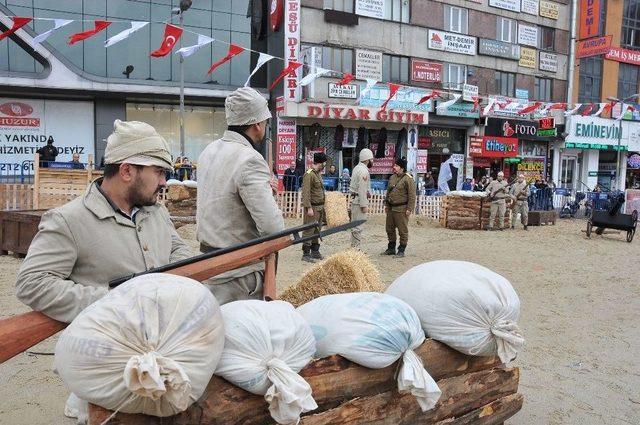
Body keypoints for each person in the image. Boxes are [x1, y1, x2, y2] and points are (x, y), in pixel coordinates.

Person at [16, 119, 192, 322]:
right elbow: (32, 283)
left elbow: (178, 249)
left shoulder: (156, 211)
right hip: (108, 348)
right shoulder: (68, 220)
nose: (163, 182)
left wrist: (168, 285)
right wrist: (116, 302)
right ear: (126, 171)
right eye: (159, 172)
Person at [197, 87, 284, 304]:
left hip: (208, 265)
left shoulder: (208, 151)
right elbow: (273, 228)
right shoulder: (250, 159)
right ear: (257, 123)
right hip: (239, 275)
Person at [382, 157, 416, 258]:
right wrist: (386, 205)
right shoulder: (392, 178)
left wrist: (409, 208)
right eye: (395, 165)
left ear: (402, 168)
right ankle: (391, 248)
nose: (394, 167)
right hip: (391, 208)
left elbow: (412, 195)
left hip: (402, 209)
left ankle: (401, 250)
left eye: (396, 166)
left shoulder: (408, 179)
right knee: (389, 229)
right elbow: (388, 192)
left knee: (402, 230)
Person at [301, 152, 327, 262]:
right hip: (313, 208)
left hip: (320, 207)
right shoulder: (309, 174)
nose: (324, 165)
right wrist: (308, 208)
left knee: (317, 230)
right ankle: (306, 253)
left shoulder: (317, 174)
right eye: (324, 163)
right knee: (309, 229)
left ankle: (315, 251)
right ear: (320, 163)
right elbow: (305, 192)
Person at [349, 148, 373, 248]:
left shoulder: (356, 168)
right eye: (371, 159)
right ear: (367, 159)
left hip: (355, 200)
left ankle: (354, 248)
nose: (372, 161)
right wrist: (364, 205)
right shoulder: (364, 171)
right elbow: (362, 189)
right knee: (358, 227)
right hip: (359, 201)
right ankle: (356, 249)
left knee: (354, 226)